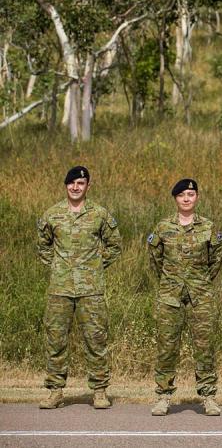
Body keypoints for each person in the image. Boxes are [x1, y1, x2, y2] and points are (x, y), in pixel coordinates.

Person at [37, 166, 122, 409]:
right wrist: (56, 266)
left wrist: (94, 267)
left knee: (96, 340)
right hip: (60, 289)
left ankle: (99, 391)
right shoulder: (52, 214)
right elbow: (43, 245)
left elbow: (114, 245)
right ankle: (55, 391)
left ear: (87, 186)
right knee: (55, 339)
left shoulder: (99, 214)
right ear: (66, 185)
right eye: (72, 183)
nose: (76, 187)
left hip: (91, 289)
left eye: (81, 183)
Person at [147, 179, 222, 416]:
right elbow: (155, 260)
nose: (186, 198)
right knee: (167, 346)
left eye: (191, 194)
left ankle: (208, 396)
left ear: (197, 197)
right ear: (175, 199)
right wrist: (170, 282)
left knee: (204, 346)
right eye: (182, 195)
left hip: (201, 295)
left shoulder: (209, 227)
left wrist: (199, 282)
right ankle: (163, 396)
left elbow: (216, 260)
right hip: (170, 295)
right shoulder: (163, 228)